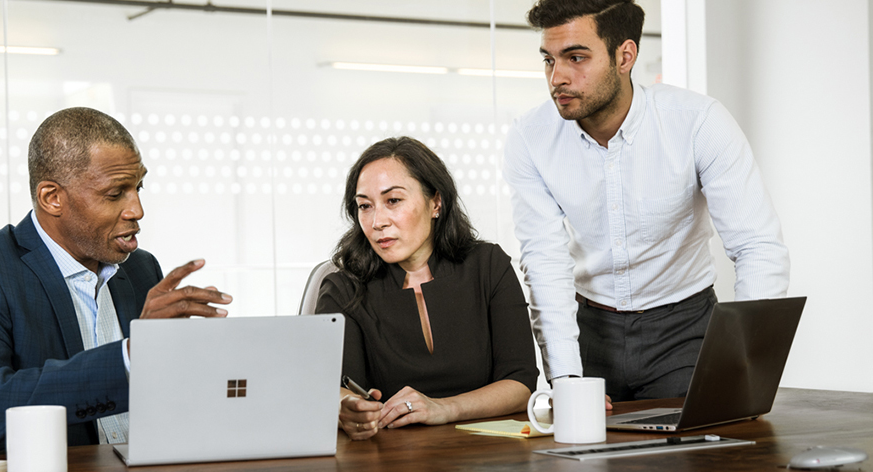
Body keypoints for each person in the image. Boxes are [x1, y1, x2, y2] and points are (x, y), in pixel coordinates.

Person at [503, 0, 790, 402]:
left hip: (685, 331)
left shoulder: (697, 122)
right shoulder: (530, 138)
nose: (557, 77)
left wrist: (744, 359)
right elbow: (544, 260)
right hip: (590, 333)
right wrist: (565, 379)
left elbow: (757, 245)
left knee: (700, 456)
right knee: (586, 461)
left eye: (576, 57)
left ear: (625, 55)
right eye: (549, 60)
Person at [0, 107, 233, 456]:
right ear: (52, 198)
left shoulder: (141, 269)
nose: (137, 210)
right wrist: (129, 356)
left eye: (138, 187)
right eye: (114, 194)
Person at [317, 136, 539, 440]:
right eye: (364, 206)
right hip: (389, 455)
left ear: (436, 202)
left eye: (393, 201)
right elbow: (334, 387)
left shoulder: (488, 266)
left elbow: (520, 382)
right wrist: (347, 406)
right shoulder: (342, 287)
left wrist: (445, 408)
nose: (377, 221)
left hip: (487, 451)